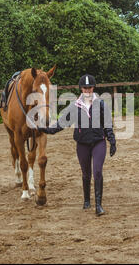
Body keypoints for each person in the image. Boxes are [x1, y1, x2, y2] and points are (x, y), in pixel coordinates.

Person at [37, 74, 116, 216]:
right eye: (85, 88)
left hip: (99, 142)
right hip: (82, 144)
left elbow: (108, 124)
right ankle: (87, 200)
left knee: (97, 172)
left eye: (90, 88)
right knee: (86, 174)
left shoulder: (101, 104)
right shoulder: (74, 106)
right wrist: (45, 129)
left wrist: (112, 140)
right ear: (81, 89)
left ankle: (98, 205)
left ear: (93, 88)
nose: (87, 91)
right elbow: (61, 124)